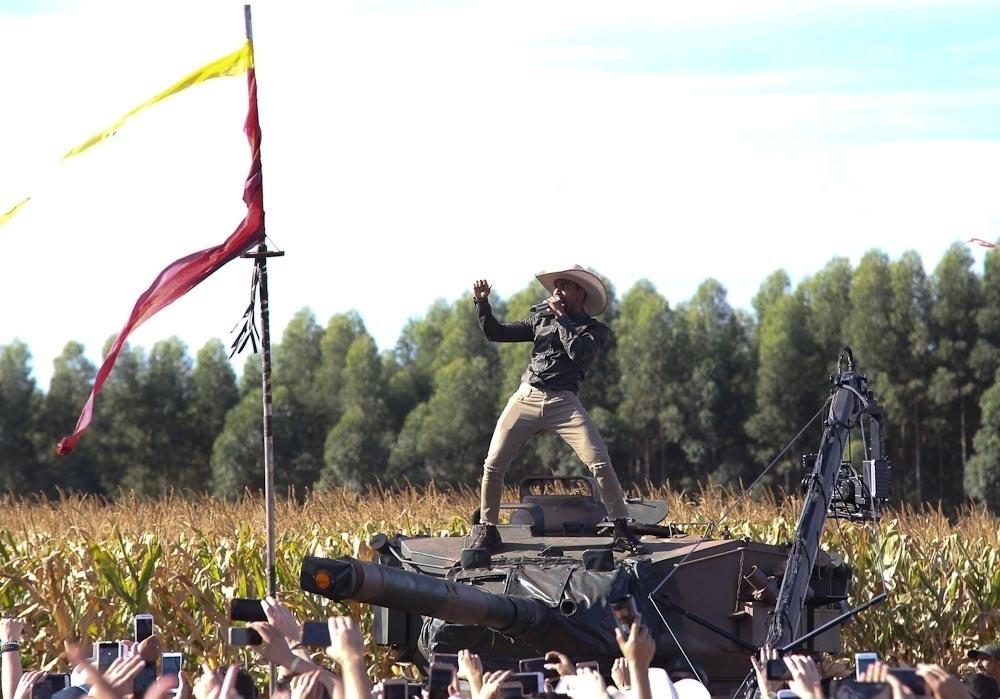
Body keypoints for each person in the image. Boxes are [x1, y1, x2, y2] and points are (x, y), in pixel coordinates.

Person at [468, 265, 643, 553]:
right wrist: (482, 302)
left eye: (564, 286)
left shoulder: (595, 330)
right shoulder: (541, 319)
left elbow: (579, 353)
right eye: (556, 286)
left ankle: (622, 527)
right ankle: (487, 528)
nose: (557, 291)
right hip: (527, 396)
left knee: (599, 462)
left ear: (580, 293)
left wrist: (562, 318)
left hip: (564, 403)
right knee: (493, 464)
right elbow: (496, 333)